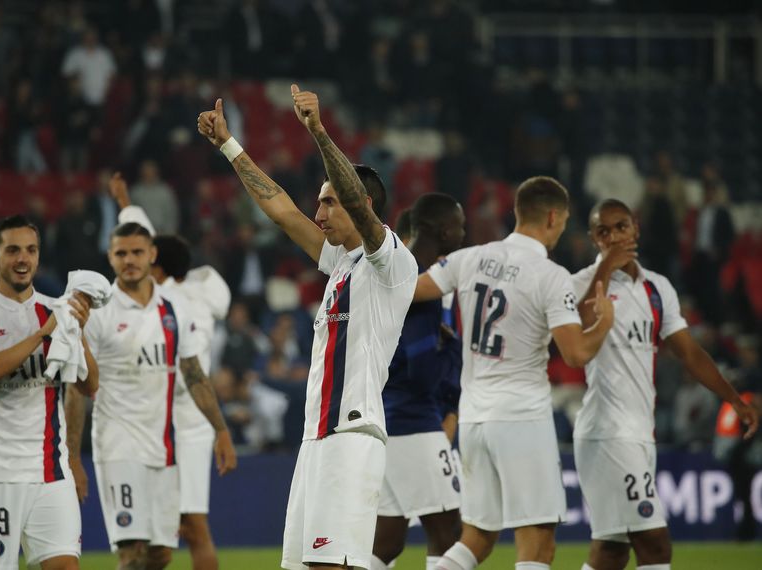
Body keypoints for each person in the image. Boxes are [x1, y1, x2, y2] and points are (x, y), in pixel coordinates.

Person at [198, 84, 418, 570]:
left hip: (352, 435)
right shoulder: (341, 262)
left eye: (329, 203)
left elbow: (360, 208)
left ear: (360, 204)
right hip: (316, 440)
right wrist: (230, 146)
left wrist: (318, 132)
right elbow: (280, 210)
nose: (317, 214)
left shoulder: (392, 263)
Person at [412, 176, 615, 570]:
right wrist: (603, 323)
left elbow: (410, 290)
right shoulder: (550, 274)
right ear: (554, 217)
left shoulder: (469, 258)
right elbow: (575, 354)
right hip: (521, 418)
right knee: (537, 545)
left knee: (477, 538)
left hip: (474, 419)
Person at [572, 199, 759, 570]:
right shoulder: (580, 283)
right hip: (608, 432)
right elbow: (573, 333)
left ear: (636, 229)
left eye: (621, 226)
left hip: (639, 431)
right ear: (594, 238)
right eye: (603, 231)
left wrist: (733, 399)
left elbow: (690, 353)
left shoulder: (657, 289)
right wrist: (606, 268)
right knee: (655, 545)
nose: (614, 236)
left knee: (611, 552)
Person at [65, 221, 237, 570]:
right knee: (131, 550)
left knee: (160, 553)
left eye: (137, 252)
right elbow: (76, 387)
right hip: (118, 446)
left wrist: (220, 430)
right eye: (121, 253)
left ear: (152, 255)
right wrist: (71, 456)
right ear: (110, 258)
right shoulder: (99, 313)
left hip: (163, 448)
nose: (129, 260)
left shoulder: (174, 309)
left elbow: (193, 374)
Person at [0, 215, 97, 570]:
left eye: (31, 250)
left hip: (50, 472)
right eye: (13, 250)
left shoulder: (55, 310)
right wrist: (43, 334)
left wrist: (79, 333)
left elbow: (89, 385)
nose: (23, 258)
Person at [111, 173, 233, 569]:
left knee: (179, 531)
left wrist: (126, 203)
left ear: (156, 268)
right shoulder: (208, 290)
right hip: (190, 423)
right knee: (187, 530)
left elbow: (143, 239)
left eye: (147, 259)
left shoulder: (165, 301)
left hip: (170, 421)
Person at [371, 194, 465, 570]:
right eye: (459, 226)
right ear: (443, 231)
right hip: (414, 421)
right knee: (450, 534)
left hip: (384, 416)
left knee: (388, 541)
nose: (462, 234)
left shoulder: (388, 270)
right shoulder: (419, 282)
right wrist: (450, 348)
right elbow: (424, 372)